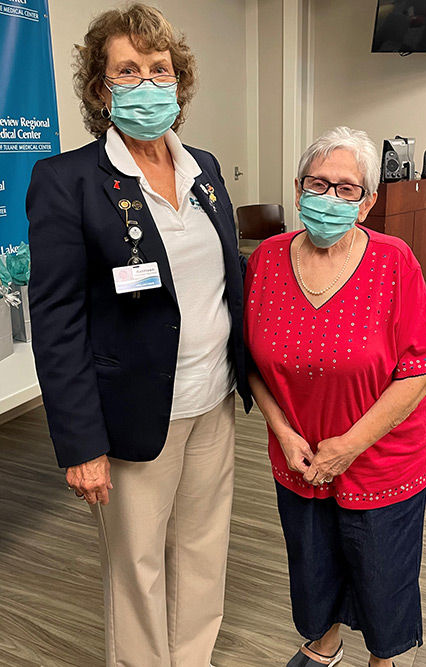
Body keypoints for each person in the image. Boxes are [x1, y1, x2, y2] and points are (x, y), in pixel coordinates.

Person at [26, 4, 251, 666]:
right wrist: (80, 443)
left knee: (204, 549)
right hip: (130, 418)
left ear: (178, 82)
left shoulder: (204, 169)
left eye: (160, 70)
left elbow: (223, 280)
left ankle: (193, 657)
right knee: (137, 567)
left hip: (211, 405)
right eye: (129, 69)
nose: (148, 83)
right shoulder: (67, 182)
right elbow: (57, 320)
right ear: (101, 88)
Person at [244, 127, 426, 667]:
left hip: (381, 461)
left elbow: (421, 370)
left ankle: (383, 659)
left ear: (368, 201)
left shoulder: (393, 261)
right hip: (300, 460)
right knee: (312, 566)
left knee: (383, 576)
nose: (329, 198)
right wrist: (284, 434)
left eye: (347, 189)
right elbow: (252, 362)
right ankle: (324, 645)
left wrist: (349, 446)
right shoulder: (265, 259)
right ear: (298, 187)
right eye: (318, 184)